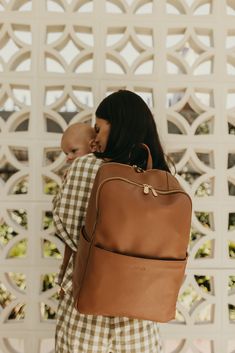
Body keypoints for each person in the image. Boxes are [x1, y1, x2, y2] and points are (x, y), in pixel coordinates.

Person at [53, 90, 170, 353]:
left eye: (98, 128)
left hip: (86, 318)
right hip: (140, 320)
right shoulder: (161, 177)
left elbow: (67, 227)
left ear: (116, 128)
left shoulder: (86, 167)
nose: (95, 137)